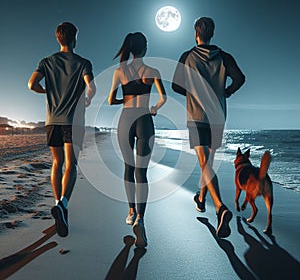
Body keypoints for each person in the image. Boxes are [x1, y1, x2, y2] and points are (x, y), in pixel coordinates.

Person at [172, 17, 245, 238]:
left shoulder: (187, 57)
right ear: (212, 33)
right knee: (208, 162)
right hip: (218, 116)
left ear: (196, 32)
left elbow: (176, 85)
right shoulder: (224, 56)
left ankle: (221, 207)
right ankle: (201, 199)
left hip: (196, 115)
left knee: (205, 162)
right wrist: (227, 92)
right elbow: (240, 78)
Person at [28, 22, 96, 237]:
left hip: (52, 120)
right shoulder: (83, 63)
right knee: (71, 164)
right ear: (74, 38)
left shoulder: (46, 62)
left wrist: (47, 91)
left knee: (57, 163)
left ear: (58, 39)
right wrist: (87, 98)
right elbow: (92, 87)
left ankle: (58, 203)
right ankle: (63, 204)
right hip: (73, 121)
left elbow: (31, 84)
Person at [108, 32, 166, 247]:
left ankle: (131, 211)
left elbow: (111, 99)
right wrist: (154, 108)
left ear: (131, 48)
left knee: (128, 167)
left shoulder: (119, 71)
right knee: (142, 172)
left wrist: (127, 99)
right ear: (145, 48)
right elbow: (163, 98)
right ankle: (141, 218)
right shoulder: (152, 71)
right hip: (145, 119)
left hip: (125, 119)